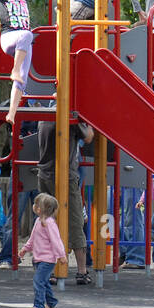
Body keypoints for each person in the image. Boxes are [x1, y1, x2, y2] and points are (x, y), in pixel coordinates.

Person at [35, 120, 93, 283]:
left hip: (44, 174)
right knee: (75, 221)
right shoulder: (69, 118)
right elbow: (88, 137)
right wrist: (89, 125)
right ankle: (81, 271)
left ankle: (50, 270)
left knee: (48, 223)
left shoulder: (43, 119)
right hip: (65, 176)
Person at [22, 193, 63, 308]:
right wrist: (25, 248)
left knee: (38, 280)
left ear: (39, 209)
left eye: (35, 204)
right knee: (44, 281)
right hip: (38, 258)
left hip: (48, 259)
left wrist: (61, 255)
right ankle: (51, 301)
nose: (33, 205)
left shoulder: (49, 223)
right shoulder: (38, 221)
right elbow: (33, 237)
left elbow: (56, 241)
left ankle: (39, 305)